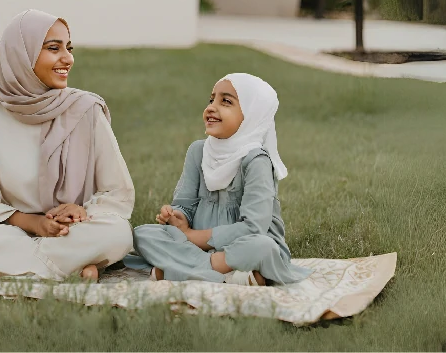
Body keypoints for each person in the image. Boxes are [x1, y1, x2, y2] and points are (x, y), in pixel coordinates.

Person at [0, 9, 134, 281]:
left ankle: (19, 267)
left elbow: (117, 191)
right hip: (13, 232)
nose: (68, 58)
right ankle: (73, 266)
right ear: (21, 54)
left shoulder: (86, 110)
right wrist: (35, 224)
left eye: (69, 48)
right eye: (54, 48)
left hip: (72, 231)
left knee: (118, 232)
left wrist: (82, 211)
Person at [126, 73, 312, 286]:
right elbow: (184, 205)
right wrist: (177, 216)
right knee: (142, 234)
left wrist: (190, 235)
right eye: (211, 99)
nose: (211, 107)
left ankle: (179, 269)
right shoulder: (198, 151)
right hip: (198, 245)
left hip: (238, 244)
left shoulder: (256, 161)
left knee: (263, 247)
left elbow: (253, 228)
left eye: (226, 101)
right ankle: (225, 273)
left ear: (252, 115)